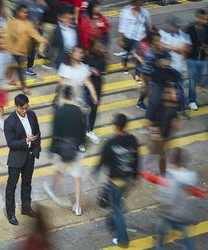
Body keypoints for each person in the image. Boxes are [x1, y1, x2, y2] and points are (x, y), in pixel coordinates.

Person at [93, 113, 139, 247]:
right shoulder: (133, 140)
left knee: (117, 207)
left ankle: (122, 239)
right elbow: (136, 158)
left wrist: (94, 174)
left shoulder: (111, 143)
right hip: (129, 180)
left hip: (116, 181)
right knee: (117, 203)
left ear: (115, 126)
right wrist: (136, 177)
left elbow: (102, 163)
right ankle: (110, 223)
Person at [44, 85, 86, 215]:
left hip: (62, 149)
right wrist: (81, 145)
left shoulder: (59, 112)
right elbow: (82, 130)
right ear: (72, 96)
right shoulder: (78, 111)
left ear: (62, 96)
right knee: (77, 178)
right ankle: (78, 206)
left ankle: (52, 188)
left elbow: (55, 132)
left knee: (58, 168)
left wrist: (52, 150)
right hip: (75, 149)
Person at [4, 94, 41, 225]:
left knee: (27, 184)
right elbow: (11, 143)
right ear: (16, 107)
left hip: (30, 156)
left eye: (26, 107)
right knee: (11, 186)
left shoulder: (32, 115)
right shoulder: (9, 121)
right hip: (16, 158)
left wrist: (37, 148)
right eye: (22, 109)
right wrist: (26, 141)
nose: (25, 111)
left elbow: (37, 132)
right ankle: (10, 213)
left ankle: (26, 208)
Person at [154, 147, 197, 250]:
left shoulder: (168, 176)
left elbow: (164, 198)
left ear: (172, 160)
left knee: (160, 238)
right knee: (186, 238)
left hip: (168, 214)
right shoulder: (188, 175)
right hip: (181, 214)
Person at [57, 45, 98, 146]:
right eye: (78, 52)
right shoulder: (64, 67)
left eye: (82, 53)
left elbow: (88, 82)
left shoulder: (84, 68)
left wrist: (93, 93)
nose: (80, 55)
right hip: (67, 100)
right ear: (72, 53)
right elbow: (60, 82)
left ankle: (81, 141)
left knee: (82, 122)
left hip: (79, 100)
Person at [4, 4, 47, 95]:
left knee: (15, 67)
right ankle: (24, 86)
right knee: (19, 69)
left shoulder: (28, 23)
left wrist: (42, 40)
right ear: (18, 12)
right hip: (12, 49)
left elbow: (34, 33)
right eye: (23, 12)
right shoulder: (12, 22)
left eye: (27, 12)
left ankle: (11, 80)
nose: (25, 14)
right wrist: (6, 47)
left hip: (22, 51)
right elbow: (7, 36)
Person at [159, 16, 191, 119]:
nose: (177, 28)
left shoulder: (184, 36)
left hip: (178, 68)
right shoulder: (162, 33)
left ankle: (181, 109)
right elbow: (159, 46)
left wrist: (168, 47)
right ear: (169, 25)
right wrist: (173, 48)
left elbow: (186, 50)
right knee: (166, 90)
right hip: (165, 68)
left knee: (180, 90)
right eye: (174, 26)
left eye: (177, 26)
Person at [149, 84, 180, 176]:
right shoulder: (159, 105)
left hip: (166, 136)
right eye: (169, 93)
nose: (174, 96)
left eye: (175, 94)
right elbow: (153, 119)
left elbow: (175, 118)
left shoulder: (173, 107)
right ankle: (159, 172)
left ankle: (161, 173)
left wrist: (176, 123)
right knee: (159, 154)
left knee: (162, 156)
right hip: (158, 135)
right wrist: (154, 132)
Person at [117, 0, 151, 74]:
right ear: (134, 2)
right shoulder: (126, 12)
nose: (140, 4)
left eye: (141, 2)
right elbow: (122, 26)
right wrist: (120, 39)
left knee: (139, 57)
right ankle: (125, 66)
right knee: (126, 54)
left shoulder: (145, 12)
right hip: (128, 38)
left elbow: (148, 26)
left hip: (140, 38)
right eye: (137, 2)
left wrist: (149, 38)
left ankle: (138, 73)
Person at [84, 40, 106, 144]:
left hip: (97, 88)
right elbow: (82, 70)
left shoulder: (101, 57)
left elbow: (102, 70)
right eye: (98, 46)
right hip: (86, 89)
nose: (100, 48)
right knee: (84, 111)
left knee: (93, 111)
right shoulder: (86, 57)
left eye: (100, 46)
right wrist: (90, 69)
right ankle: (83, 133)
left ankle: (90, 131)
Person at [185, 9, 208, 111]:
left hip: (204, 58)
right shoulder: (190, 29)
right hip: (192, 59)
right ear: (197, 18)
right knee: (192, 80)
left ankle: (198, 83)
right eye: (203, 19)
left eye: (206, 19)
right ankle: (192, 100)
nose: (205, 21)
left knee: (204, 76)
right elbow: (185, 43)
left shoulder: (207, 28)